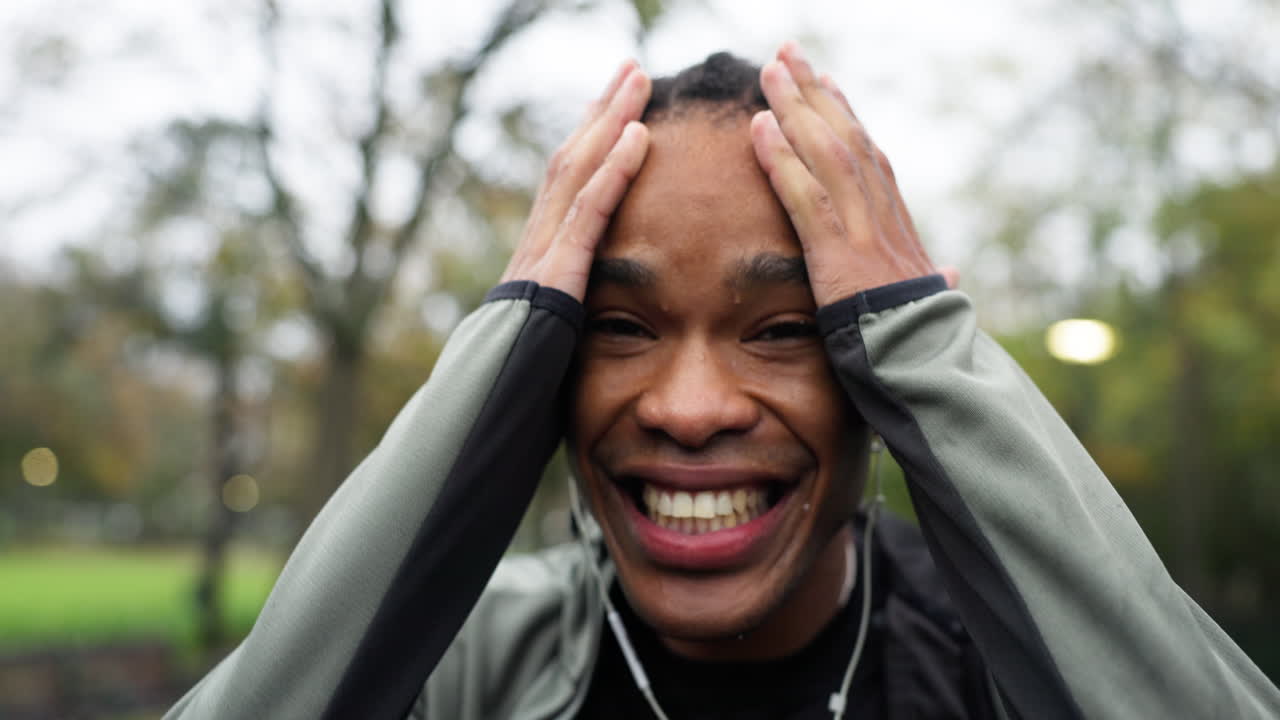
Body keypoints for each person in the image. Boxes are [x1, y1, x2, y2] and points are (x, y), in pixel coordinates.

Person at [166, 46, 1280, 720]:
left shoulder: (996, 666)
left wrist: (932, 352)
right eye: (613, 325)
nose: (688, 409)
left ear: (879, 368)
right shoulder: (465, 668)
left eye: (784, 329)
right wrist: (499, 369)